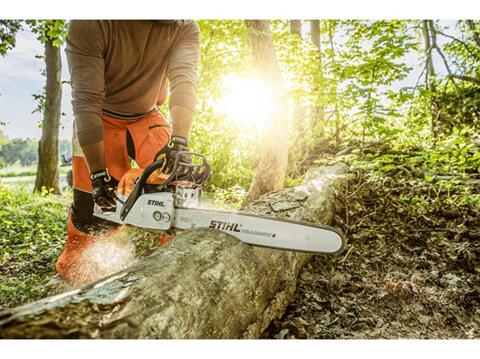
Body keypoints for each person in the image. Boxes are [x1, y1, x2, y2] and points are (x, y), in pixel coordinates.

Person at [56, 20, 200, 284]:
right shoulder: (91, 22)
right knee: (95, 209)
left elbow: (185, 81)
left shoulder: (184, 25)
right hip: (98, 119)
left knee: (177, 187)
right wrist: (98, 174)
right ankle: (76, 272)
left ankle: (179, 267)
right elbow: (87, 102)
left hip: (148, 116)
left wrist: (180, 139)